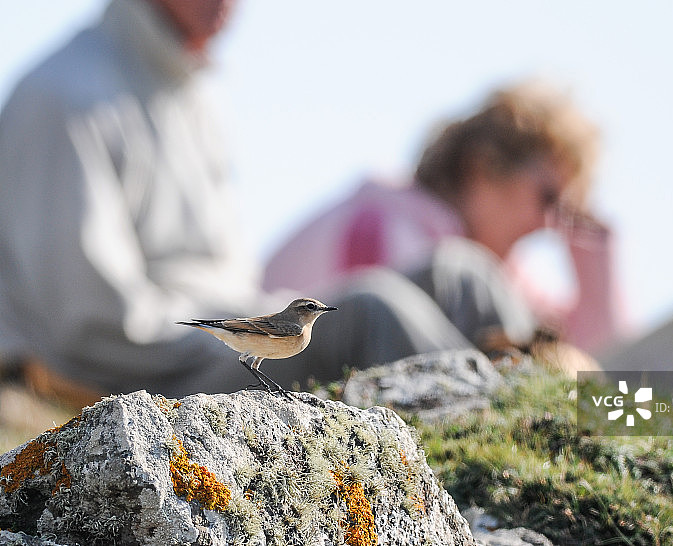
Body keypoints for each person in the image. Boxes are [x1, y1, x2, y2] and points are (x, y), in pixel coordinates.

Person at [0, 0, 476, 399]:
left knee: (455, 275)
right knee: (370, 310)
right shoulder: (63, 95)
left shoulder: (195, 88)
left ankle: (524, 406)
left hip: (215, 335)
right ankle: (494, 441)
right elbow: (93, 322)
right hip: (152, 374)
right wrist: (227, 330)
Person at [262, 81, 626, 356]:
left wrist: (594, 248)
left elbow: (597, 357)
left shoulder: (502, 274)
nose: (550, 224)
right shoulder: (385, 227)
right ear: (482, 170)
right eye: (548, 198)